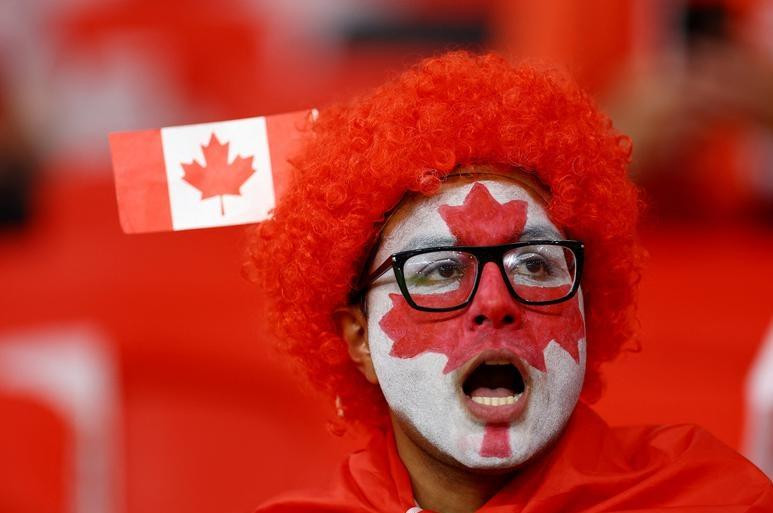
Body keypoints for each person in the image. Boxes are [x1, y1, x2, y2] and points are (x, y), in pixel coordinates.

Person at [247, 52, 772, 513]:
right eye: (441, 270)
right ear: (358, 338)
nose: (495, 303)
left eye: (536, 265)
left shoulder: (709, 499)